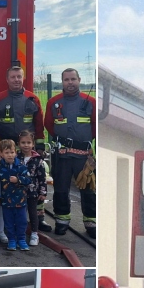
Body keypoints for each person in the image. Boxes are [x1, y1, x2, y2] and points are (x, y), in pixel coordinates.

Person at [44, 67, 97, 237]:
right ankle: (62, 221)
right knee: (60, 189)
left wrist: (83, 142)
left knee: (88, 190)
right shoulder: (54, 102)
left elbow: (96, 127)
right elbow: (48, 125)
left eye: (73, 79)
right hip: (62, 155)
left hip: (83, 157)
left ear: (79, 80)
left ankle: (90, 223)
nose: (70, 82)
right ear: (62, 82)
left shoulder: (91, 102)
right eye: (66, 80)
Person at [0, 65, 44, 145]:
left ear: (23, 78)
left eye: (19, 77)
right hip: (5, 147)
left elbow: (39, 124)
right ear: (7, 79)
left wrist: (40, 145)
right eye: (13, 77)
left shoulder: (33, 99)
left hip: (27, 147)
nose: (16, 80)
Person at [17, 129, 50, 244]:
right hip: (18, 191)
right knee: (20, 213)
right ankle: (20, 232)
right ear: (19, 144)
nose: (26, 145)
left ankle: (34, 233)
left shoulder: (38, 160)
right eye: (23, 143)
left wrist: (43, 192)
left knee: (33, 212)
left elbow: (42, 178)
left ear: (33, 144)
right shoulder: (16, 158)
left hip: (33, 192)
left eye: (28, 143)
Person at [0, 139, 31, 251]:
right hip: (6, 201)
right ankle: (11, 239)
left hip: (20, 201)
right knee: (9, 221)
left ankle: (21, 239)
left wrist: (18, 180)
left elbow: (28, 180)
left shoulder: (21, 166)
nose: (10, 155)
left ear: (15, 152)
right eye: (6, 153)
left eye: (12, 152)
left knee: (21, 221)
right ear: (1, 154)